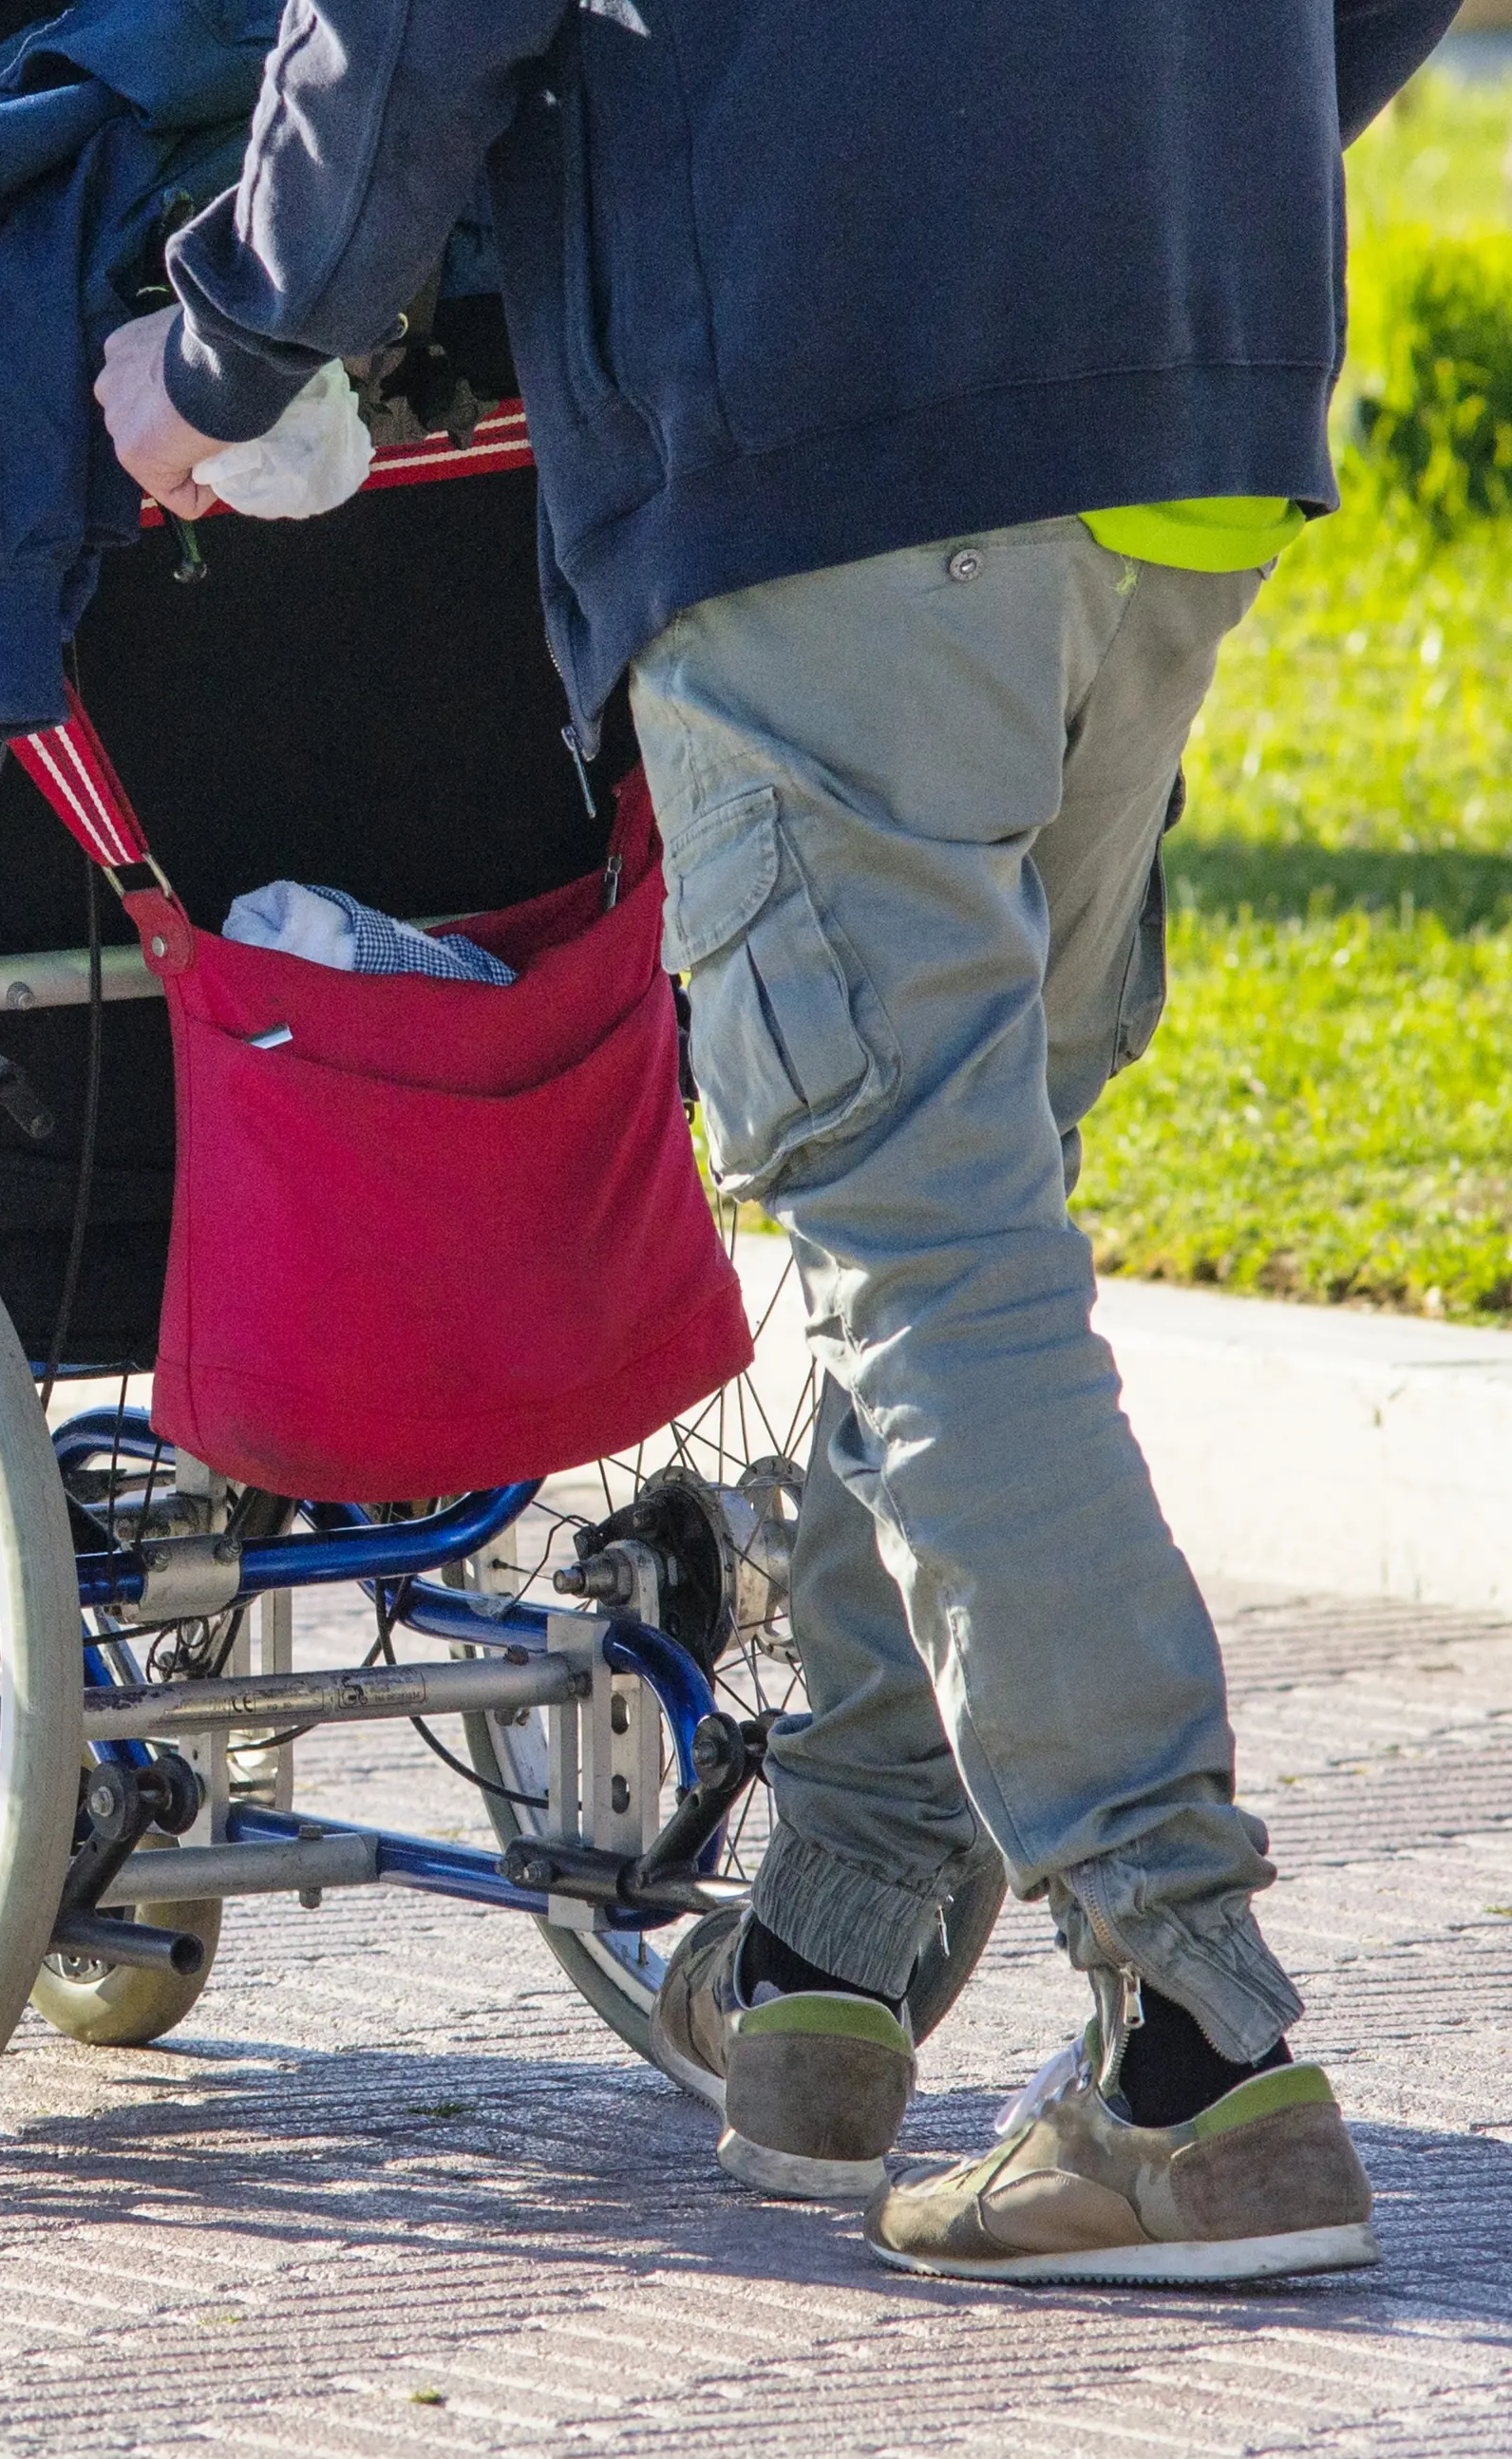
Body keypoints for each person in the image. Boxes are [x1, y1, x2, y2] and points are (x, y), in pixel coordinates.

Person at [93, 0, 1459, 2283]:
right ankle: (830, 1942)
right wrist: (1159, 146)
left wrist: (231, 342)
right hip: (1182, 363)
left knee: (914, 1220)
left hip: (842, 394)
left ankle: (1193, 2046)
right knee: (954, 1185)